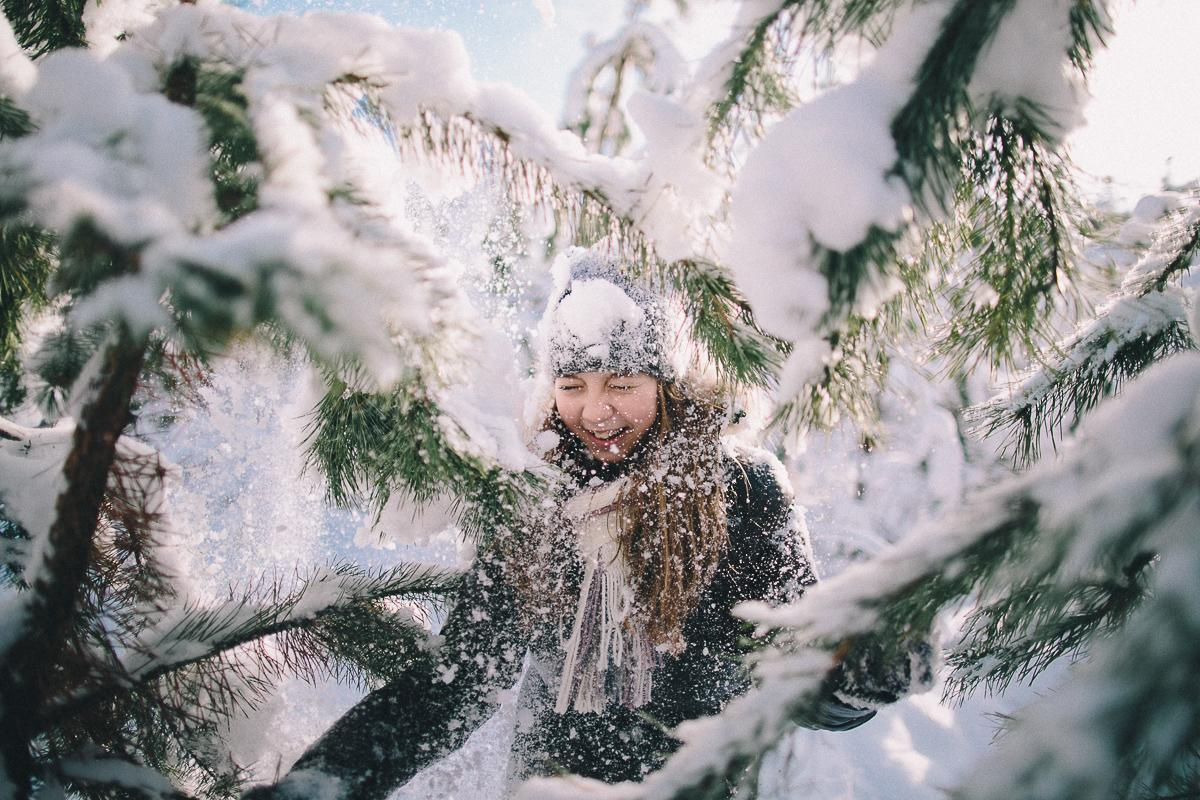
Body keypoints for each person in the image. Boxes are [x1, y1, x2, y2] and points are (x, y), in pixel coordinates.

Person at [247, 248, 931, 800]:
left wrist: (855, 677)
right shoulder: (534, 500)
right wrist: (328, 782)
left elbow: (795, 663)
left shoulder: (742, 492)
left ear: (670, 383)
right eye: (573, 387)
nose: (596, 412)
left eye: (623, 385)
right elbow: (457, 684)